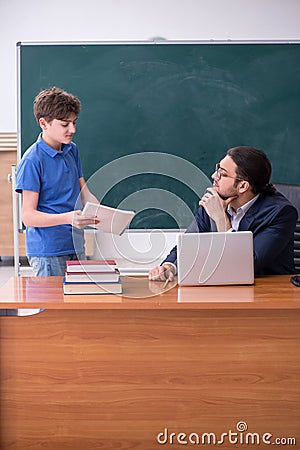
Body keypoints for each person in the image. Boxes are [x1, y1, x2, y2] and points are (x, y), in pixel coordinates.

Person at [149, 146, 298, 281]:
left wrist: (221, 220)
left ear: (243, 186)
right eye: (217, 169)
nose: (214, 176)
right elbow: (188, 244)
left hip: (271, 290)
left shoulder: (280, 213)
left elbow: (248, 264)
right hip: (223, 285)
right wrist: (169, 267)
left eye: (222, 174)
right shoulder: (215, 200)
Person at [16, 87, 99, 277]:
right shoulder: (32, 161)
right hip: (49, 252)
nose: (73, 130)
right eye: (65, 124)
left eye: (74, 123)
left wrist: (99, 211)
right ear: (43, 123)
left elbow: (84, 191)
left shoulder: (72, 150)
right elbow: (28, 217)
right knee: (52, 307)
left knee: (78, 304)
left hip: (75, 244)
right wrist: (68, 218)